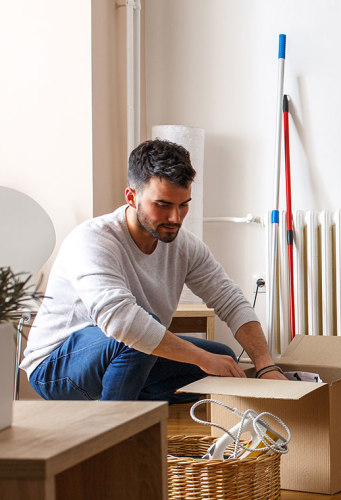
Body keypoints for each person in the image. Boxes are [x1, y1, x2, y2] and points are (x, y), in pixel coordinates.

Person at [21, 139, 285, 402]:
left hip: (128, 355)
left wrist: (265, 365)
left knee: (224, 360)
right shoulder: (92, 240)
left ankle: (131, 403)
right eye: (162, 205)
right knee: (138, 336)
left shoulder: (186, 246)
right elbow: (122, 322)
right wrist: (201, 358)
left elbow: (230, 300)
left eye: (183, 205)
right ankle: (116, 433)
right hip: (55, 367)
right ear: (131, 197)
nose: (175, 218)